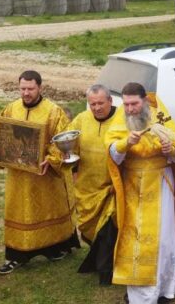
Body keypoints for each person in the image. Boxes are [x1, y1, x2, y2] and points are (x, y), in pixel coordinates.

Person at [105, 82, 175, 303]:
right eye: (126, 104)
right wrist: (126, 143)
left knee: (163, 240)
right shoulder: (120, 120)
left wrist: (170, 150)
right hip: (133, 187)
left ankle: (165, 287)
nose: (130, 109)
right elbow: (112, 153)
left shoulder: (160, 117)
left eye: (134, 103)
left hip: (161, 185)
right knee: (134, 239)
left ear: (144, 101)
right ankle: (139, 292)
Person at [0, 70, 79, 275]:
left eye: (30, 89)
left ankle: (53, 249)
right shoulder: (11, 108)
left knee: (48, 209)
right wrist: (1, 153)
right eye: (23, 88)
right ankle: (16, 256)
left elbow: (63, 141)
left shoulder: (53, 112)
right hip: (18, 176)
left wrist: (50, 159)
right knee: (19, 211)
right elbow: (3, 135)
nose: (26, 93)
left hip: (44, 174)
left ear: (40, 88)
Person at [62, 84, 123, 285]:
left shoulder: (122, 119)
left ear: (110, 101)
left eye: (100, 103)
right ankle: (99, 262)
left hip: (112, 187)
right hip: (87, 187)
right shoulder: (81, 119)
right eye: (92, 104)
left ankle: (106, 273)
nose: (96, 108)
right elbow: (69, 145)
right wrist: (65, 154)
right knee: (90, 229)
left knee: (107, 230)